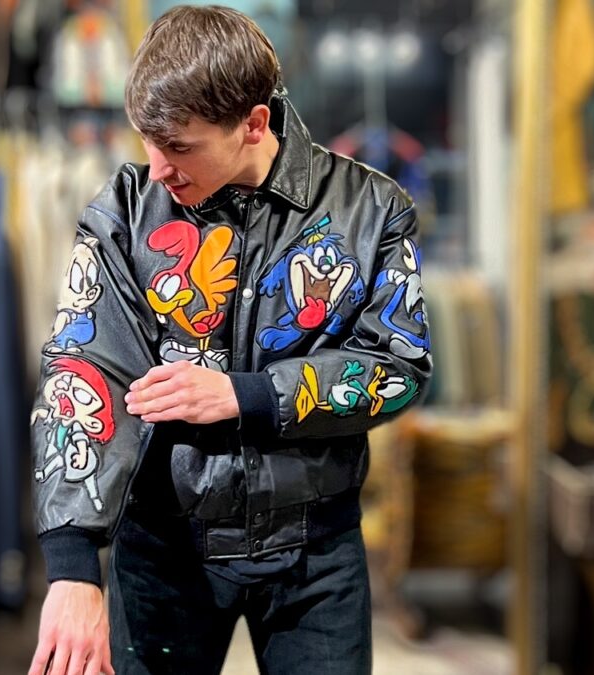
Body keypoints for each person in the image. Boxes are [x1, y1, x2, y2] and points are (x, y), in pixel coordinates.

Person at [28, 6, 432, 675]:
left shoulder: (370, 209)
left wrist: (246, 395)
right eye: (147, 142)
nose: (158, 167)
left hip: (316, 555)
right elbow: (83, 364)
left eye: (179, 146)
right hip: (161, 553)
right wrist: (72, 565)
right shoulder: (126, 210)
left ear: (253, 123)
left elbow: (399, 366)